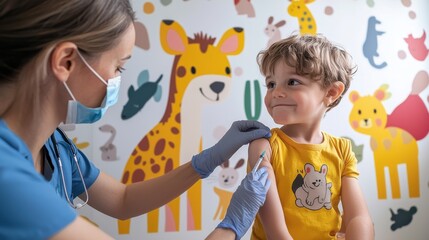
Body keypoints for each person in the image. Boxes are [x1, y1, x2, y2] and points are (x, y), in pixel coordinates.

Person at [0, 1, 271, 239]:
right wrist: (233, 226)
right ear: (66, 61)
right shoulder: (6, 175)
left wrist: (206, 162)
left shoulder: (55, 146)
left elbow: (122, 200)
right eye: (118, 66)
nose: (118, 80)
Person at [246, 34, 375, 240]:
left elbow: (358, 217)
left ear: (331, 92)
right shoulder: (264, 146)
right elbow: (275, 229)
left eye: (292, 82)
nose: (276, 92)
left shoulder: (342, 150)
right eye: (271, 84)